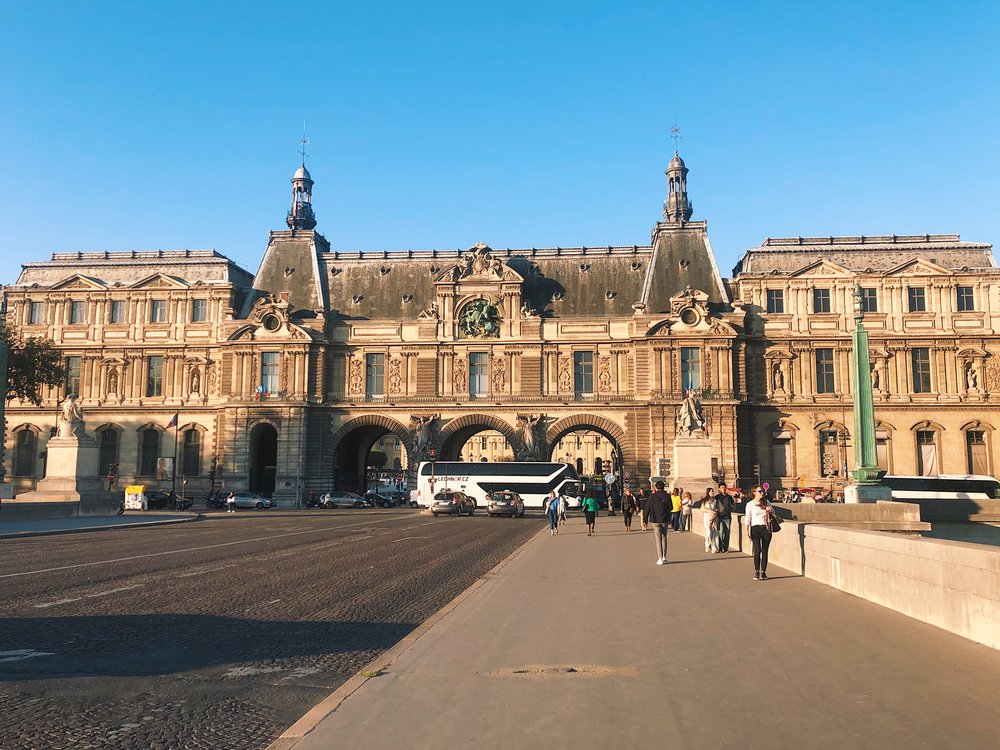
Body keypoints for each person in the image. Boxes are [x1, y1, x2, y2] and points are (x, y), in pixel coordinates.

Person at [746, 486, 775, 580]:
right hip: (755, 528)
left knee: (765, 550)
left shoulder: (766, 502)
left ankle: (763, 572)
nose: (762, 493)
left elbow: (774, 513)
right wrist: (747, 529)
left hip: (766, 528)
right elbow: (748, 518)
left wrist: (769, 510)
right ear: (754, 492)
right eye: (760, 491)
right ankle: (756, 571)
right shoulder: (750, 504)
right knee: (757, 550)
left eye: (762, 491)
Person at [646, 481, 672, 564]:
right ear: (663, 487)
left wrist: (645, 520)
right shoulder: (667, 496)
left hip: (655, 520)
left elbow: (647, 508)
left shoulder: (652, 496)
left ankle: (660, 558)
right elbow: (671, 507)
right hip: (665, 519)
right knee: (664, 537)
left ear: (656, 487)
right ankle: (664, 556)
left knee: (658, 539)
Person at [714, 485, 735, 552]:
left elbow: (732, 505)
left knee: (727, 533)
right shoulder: (717, 497)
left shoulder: (729, 497)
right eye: (722, 488)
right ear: (719, 489)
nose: (724, 489)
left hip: (727, 516)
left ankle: (726, 548)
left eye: (724, 488)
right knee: (720, 532)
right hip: (720, 516)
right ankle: (720, 547)